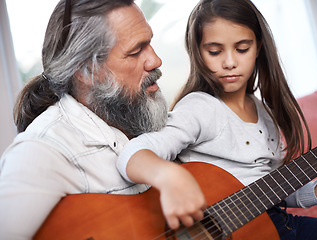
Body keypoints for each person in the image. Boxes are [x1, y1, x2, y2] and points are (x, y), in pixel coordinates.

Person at [117, 0, 317, 239]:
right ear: (197, 53)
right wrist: (168, 177)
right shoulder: (200, 108)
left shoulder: (264, 112)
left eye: (242, 49)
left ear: (259, 47)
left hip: (278, 225)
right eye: (214, 51)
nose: (230, 62)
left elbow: (273, 189)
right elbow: (134, 152)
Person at [0, 0, 184, 239]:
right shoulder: (41, 151)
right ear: (86, 71)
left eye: (150, 43)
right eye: (136, 51)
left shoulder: (143, 118)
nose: (155, 60)